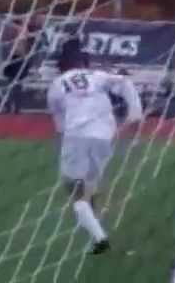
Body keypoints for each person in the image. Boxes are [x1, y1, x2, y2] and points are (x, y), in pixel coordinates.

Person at [46, 37, 143, 255]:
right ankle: (96, 233)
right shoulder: (96, 75)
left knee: (73, 189)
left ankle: (99, 238)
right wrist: (134, 113)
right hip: (104, 136)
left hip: (77, 135)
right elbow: (125, 83)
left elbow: (60, 125)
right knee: (89, 185)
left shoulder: (56, 85)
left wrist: (62, 145)